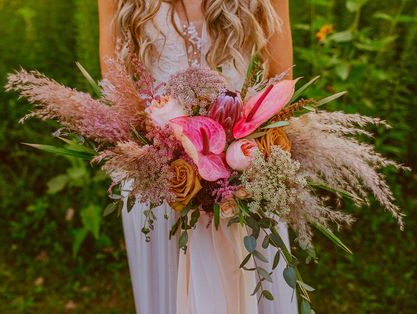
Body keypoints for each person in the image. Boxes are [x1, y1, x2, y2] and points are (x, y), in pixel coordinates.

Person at [98, 1, 298, 313]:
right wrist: (164, 149)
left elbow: (280, 79)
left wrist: (240, 153)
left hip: (243, 172)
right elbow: (115, 84)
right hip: (160, 180)